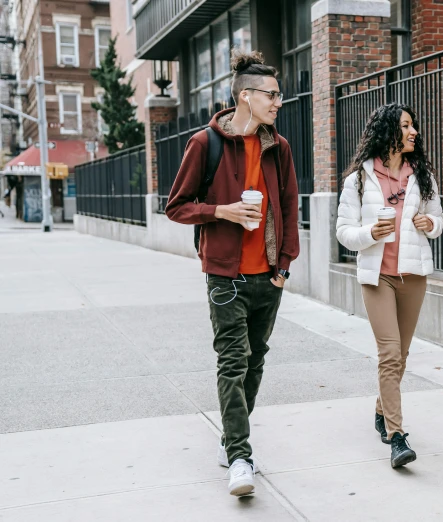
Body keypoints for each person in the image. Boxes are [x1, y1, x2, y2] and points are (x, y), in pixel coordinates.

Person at [165, 49, 299, 496]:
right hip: (225, 275)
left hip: (268, 276)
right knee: (232, 361)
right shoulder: (206, 144)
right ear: (245, 96)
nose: (278, 101)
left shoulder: (277, 147)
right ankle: (240, 456)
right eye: (271, 94)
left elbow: (290, 207)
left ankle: (231, 437)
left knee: (255, 361)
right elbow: (176, 206)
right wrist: (222, 210)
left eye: (279, 95)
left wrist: (283, 267)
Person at [336, 103, 443, 469]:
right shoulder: (359, 181)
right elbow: (343, 232)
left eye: (414, 126)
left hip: (413, 275)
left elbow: (439, 218)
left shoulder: (422, 175)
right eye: (406, 126)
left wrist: (430, 224)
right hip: (376, 275)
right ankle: (397, 437)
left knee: (403, 353)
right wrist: (370, 232)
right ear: (388, 132)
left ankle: (382, 409)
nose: (414, 132)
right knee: (390, 353)